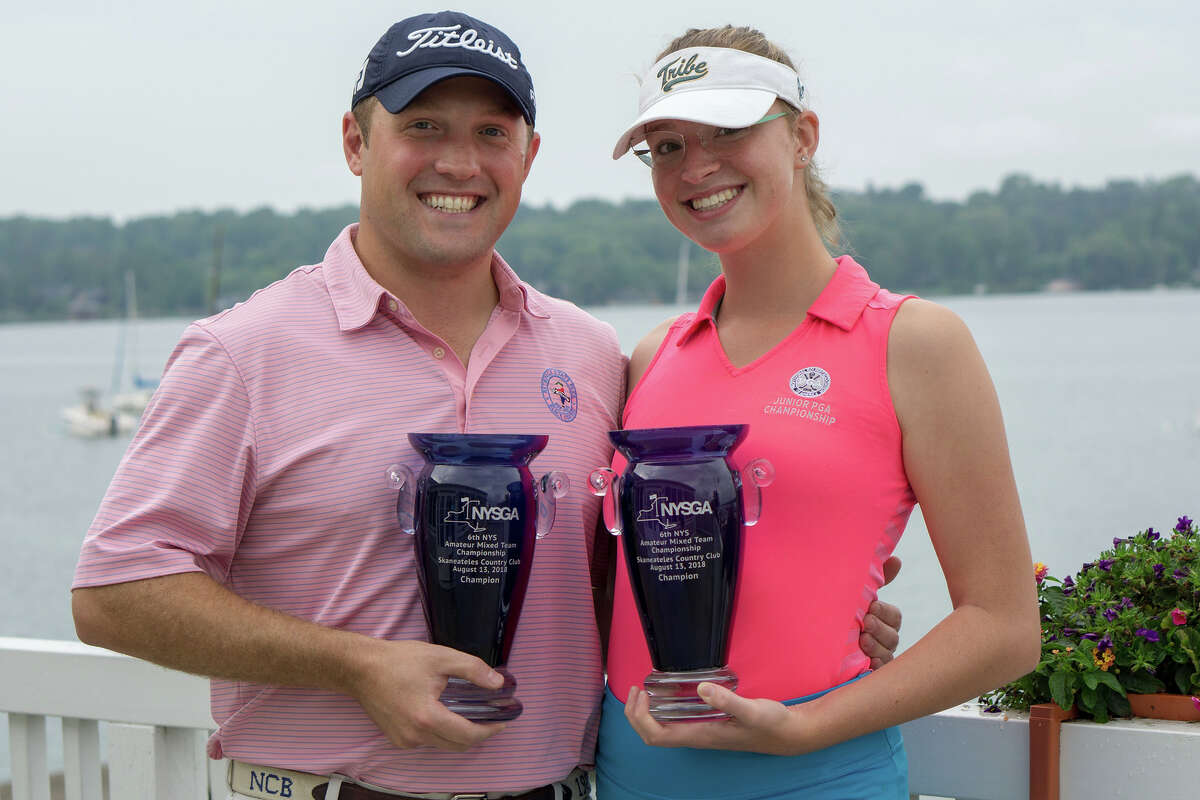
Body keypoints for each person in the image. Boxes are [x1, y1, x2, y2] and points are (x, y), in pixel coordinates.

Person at [70, 12, 903, 800]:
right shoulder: (244, 352)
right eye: (423, 126)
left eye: (491, 134)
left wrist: (816, 607)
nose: (459, 164)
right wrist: (356, 665)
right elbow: (115, 592)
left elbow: (633, 569)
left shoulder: (588, 355)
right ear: (358, 143)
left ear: (529, 155)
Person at [596, 26, 1041, 799]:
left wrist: (806, 727)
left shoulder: (914, 343)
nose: (696, 167)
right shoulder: (649, 357)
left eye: (729, 131)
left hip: (823, 777)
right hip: (633, 778)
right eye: (666, 146)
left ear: (802, 136)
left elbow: (1005, 629)